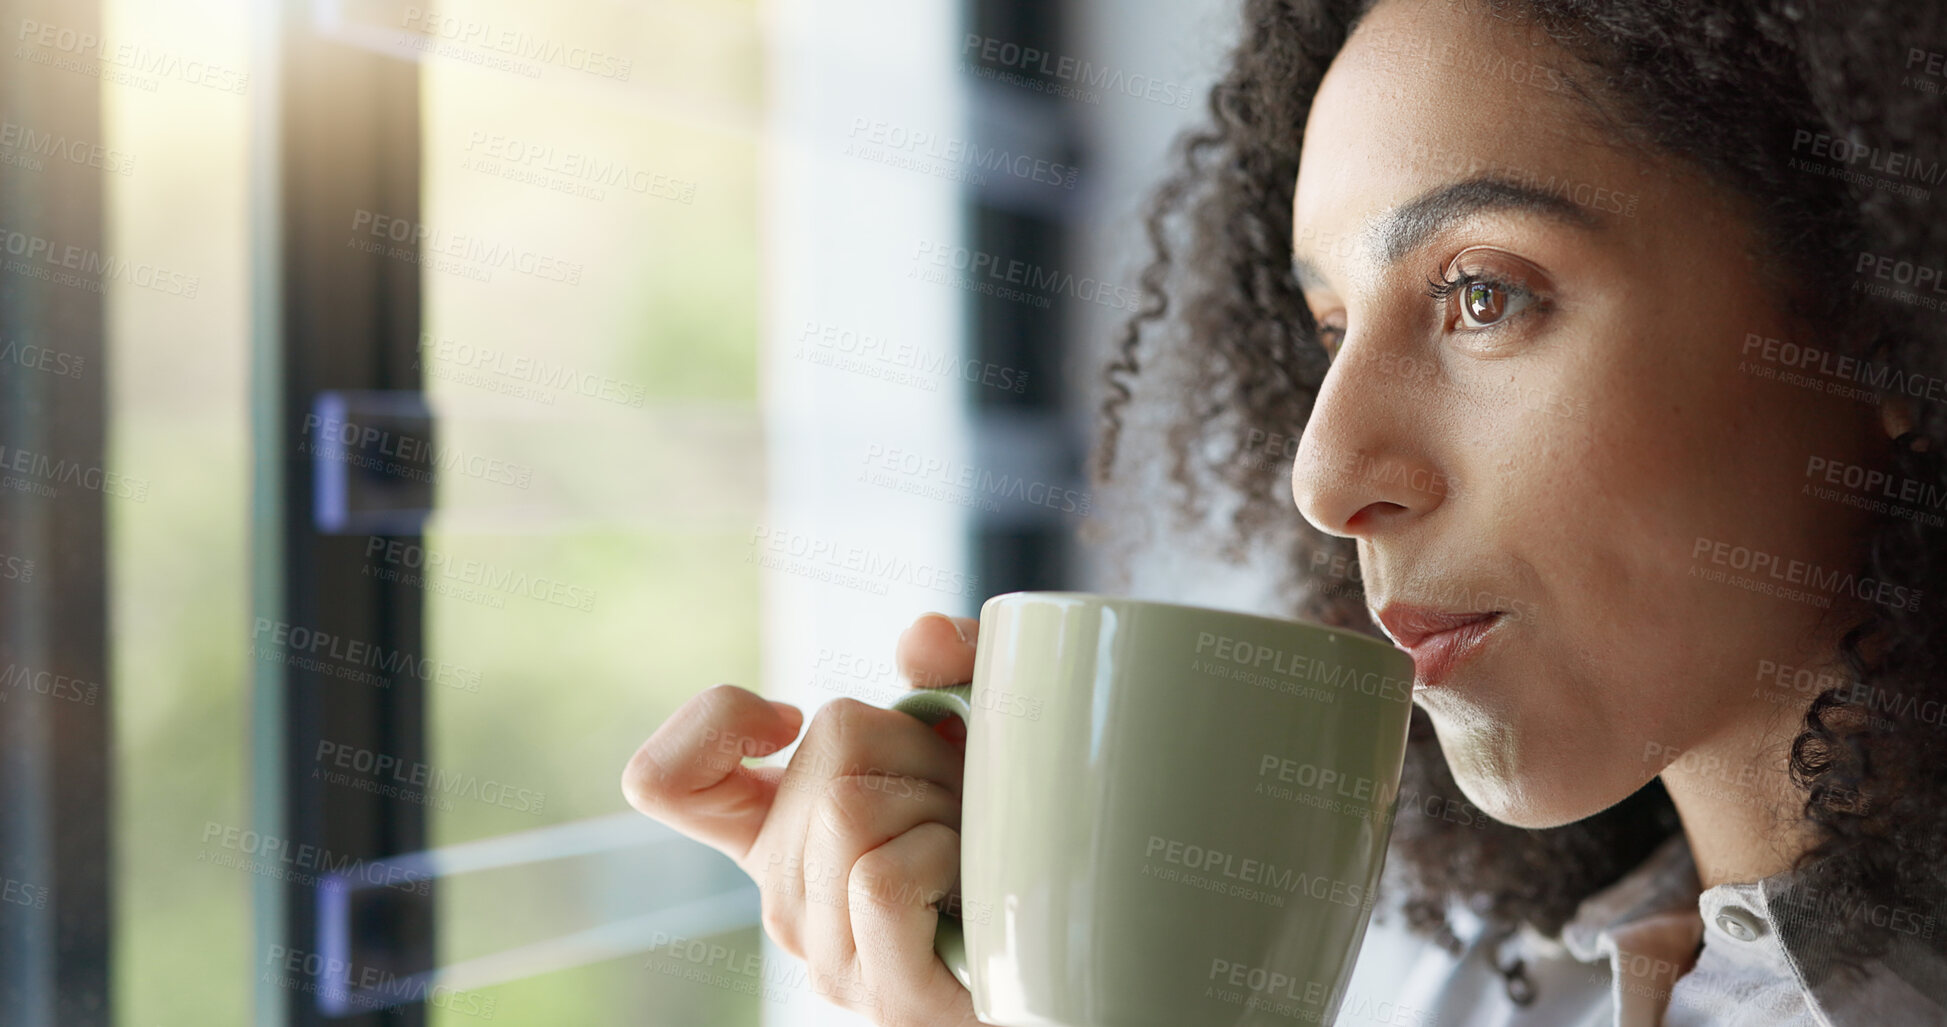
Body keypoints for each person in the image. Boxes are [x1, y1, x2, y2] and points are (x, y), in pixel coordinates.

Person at [622, 0, 1947, 1023]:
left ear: (1883, 322)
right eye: (1327, 331)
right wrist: (1033, 966)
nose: (1324, 477)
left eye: (1483, 294)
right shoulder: (1489, 982)